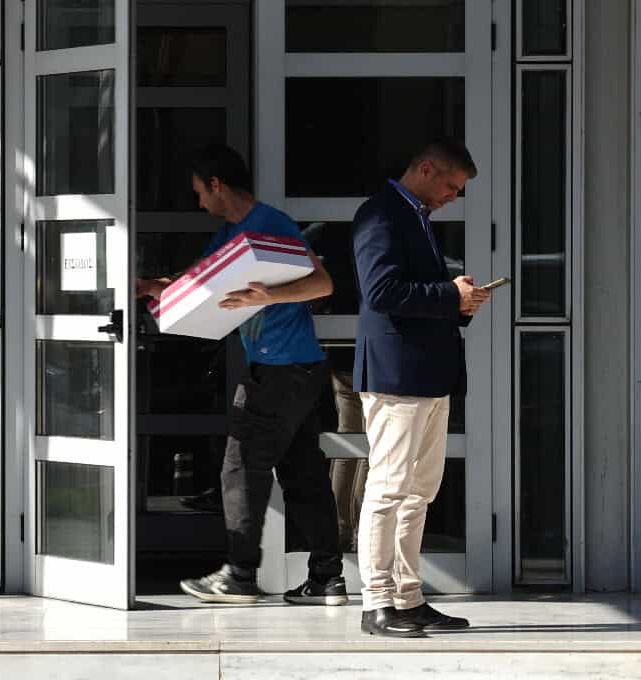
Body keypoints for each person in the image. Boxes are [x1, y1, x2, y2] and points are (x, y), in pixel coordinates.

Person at [136, 144, 346, 605]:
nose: (199, 203)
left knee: (240, 467)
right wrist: (154, 287)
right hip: (295, 368)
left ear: (217, 185)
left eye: (200, 192)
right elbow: (198, 284)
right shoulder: (232, 233)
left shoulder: (271, 224)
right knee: (303, 474)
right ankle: (326, 578)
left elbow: (322, 283)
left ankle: (240, 575)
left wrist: (266, 298)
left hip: (280, 369)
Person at [351, 137, 490, 637]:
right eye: (452, 185)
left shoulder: (416, 217)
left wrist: (461, 302)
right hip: (396, 375)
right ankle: (376, 603)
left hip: (427, 375)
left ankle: (408, 598)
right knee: (389, 489)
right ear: (427, 169)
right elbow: (381, 291)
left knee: (419, 493)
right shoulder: (380, 214)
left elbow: (418, 296)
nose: (454, 195)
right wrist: (449, 294)